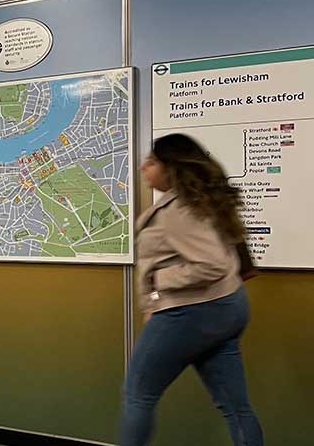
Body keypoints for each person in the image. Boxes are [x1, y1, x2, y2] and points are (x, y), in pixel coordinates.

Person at [121, 134, 262, 446]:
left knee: (138, 396)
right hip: (226, 307)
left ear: (172, 167)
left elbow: (211, 264)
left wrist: (159, 283)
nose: (144, 167)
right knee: (236, 407)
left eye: (153, 161)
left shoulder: (179, 210)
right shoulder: (200, 200)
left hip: (192, 312)